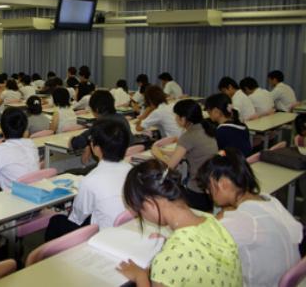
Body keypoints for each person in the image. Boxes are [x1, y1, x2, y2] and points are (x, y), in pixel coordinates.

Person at [118, 159, 242, 286]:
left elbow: (179, 258)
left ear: (150, 204)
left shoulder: (169, 259)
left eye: (140, 212)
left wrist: (140, 276)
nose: (143, 217)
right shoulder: (212, 221)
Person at [197, 149, 302, 287]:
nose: (207, 192)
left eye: (208, 187)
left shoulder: (243, 220)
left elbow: (200, 239)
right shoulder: (268, 199)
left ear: (224, 184)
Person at [45, 119, 131, 240]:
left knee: (56, 221)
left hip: (103, 236)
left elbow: (76, 218)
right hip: (127, 230)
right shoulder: (132, 170)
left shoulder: (91, 180)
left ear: (95, 148)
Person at [151, 99, 218, 212]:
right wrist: (164, 152)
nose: (175, 119)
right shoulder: (205, 128)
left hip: (197, 190)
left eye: (176, 116)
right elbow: (186, 152)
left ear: (184, 119)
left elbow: (170, 166)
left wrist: (156, 153)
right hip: (211, 187)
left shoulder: (189, 136)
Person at [71, 90, 134, 164]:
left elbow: (77, 142)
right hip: (124, 160)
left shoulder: (101, 124)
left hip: (109, 163)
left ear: (96, 109)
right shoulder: (121, 118)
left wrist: (71, 140)